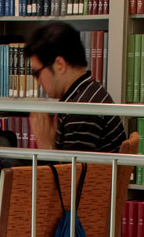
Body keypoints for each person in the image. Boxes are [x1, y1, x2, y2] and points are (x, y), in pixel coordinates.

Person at [22, 21, 126, 155]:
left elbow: (71, 175)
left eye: (37, 73)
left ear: (59, 64)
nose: (38, 81)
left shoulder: (82, 109)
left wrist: (46, 146)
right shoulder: (86, 91)